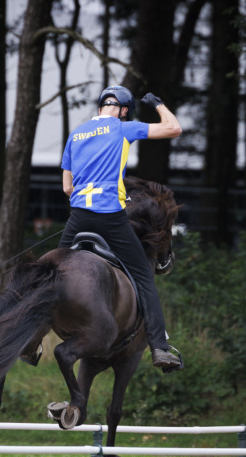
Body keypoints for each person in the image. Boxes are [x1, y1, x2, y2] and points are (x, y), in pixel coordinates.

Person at [57, 85, 183, 371]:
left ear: (100, 107)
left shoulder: (76, 134)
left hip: (78, 217)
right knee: (144, 278)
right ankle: (160, 348)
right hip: (110, 218)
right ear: (124, 111)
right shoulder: (122, 128)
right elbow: (173, 128)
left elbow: (67, 187)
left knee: (48, 274)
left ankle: (31, 344)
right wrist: (158, 104)